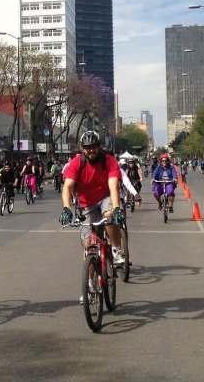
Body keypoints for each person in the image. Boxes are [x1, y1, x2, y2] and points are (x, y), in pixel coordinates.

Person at [58, 130, 125, 304]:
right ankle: (88, 286)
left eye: (94, 147)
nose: (91, 151)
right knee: (88, 246)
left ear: (99, 147)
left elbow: (113, 185)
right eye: (87, 148)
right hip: (86, 204)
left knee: (109, 215)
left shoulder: (108, 161)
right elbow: (67, 187)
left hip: (106, 197)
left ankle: (116, 250)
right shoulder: (76, 163)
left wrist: (116, 207)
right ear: (82, 149)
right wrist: (66, 208)